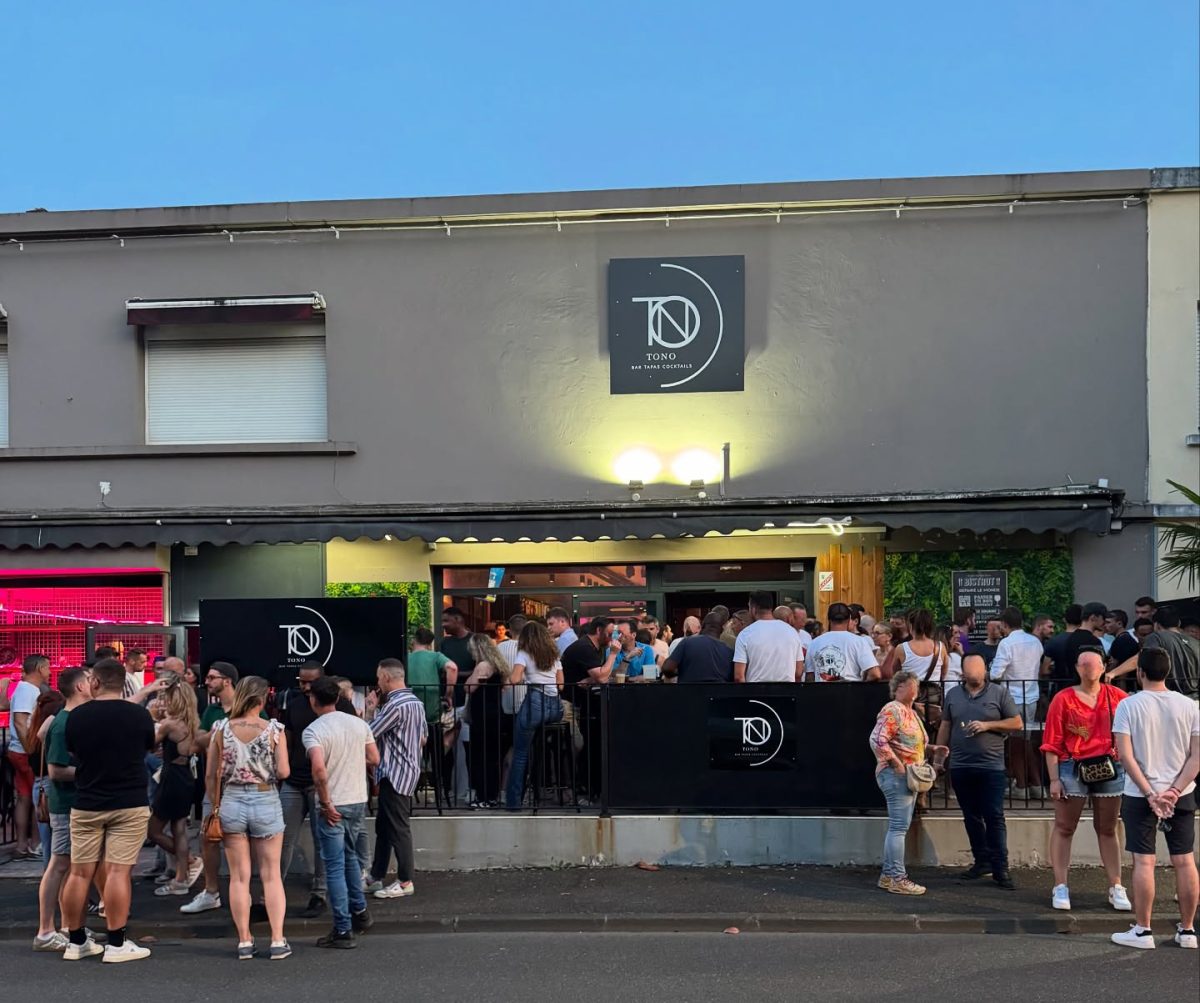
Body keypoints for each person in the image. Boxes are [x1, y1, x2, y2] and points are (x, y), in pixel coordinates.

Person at [61, 657, 156, 963]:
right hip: (129, 801)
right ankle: (116, 943)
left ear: (96, 682)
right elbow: (148, 747)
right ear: (122, 682)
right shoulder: (139, 715)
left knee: (79, 873)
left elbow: (73, 752)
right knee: (118, 871)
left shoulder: (77, 716)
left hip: (87, 801)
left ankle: (76, 941)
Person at [1109, 648, 1199, 950]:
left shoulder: (1128, 705)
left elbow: (1125, 755)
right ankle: (1188, 930)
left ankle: (1143, 930)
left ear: (1140, 672)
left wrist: (1150, 792)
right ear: (1168, 671)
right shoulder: (1189, 706)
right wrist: (1174, 790)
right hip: (1181, 793)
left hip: (1139, 794)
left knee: (1144, 861)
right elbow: (1196, 757)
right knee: (1185, 860)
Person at [1040, 648, 1130, 912]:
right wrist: (1054, 778)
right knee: (1064, 826)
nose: (1089, 669)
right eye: (1084, 664)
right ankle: (1060, 884)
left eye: (1094, 664)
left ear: (1103, 667)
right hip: (1072, 765)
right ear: (1077, 668)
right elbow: (1051, 742)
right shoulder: (1063, 699)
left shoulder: (1118, 697)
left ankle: (1116, 884)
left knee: (1108, 828)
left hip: (1109, 765)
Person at [209, 676, 291, 960]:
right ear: (262, 699)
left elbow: (211, 774)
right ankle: (277, 939)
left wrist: (216, 804)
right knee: (271, 874)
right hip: (265, 798)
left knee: (239, 877)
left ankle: (244, 941)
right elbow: (284, 771)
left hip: (231, 800)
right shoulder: (274, 729)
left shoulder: (221, 728)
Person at [935, 652, 1023, 890]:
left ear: (985, 671)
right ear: (963, 673)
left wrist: (987, 725)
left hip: (991, 766)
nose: (974, 676)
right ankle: (981, 861)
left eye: (978, 671)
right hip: (961, 765)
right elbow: (945, 725)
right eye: (970, 672)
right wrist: (939, 758)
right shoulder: (953, 694)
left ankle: (1000, 867)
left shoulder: (999, 693)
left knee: (994, 816)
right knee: (971, 816)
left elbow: (1016, 722)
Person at [278, 661, 358, 920]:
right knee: (282, 837)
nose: (304, 687)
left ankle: (319, 892)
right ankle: (273, 890)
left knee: (322, 839)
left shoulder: (341, 706)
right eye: (301, 681)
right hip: (294, 780)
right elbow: (288, 737)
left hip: (320, 781)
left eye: (309, 682)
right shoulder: (294, 703)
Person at [304, 676, 380, 949]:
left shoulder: (314, 731)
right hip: (356, 799)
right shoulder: (359, 724)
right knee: (350, 857)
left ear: (313, 700)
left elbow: (319, 770)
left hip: (333, 803)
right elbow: (374, 758)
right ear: (337, 698)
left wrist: (326, 803)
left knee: (334, 866)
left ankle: (343, 928)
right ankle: (360, 911)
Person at [35, 668, 91, 952]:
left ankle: (70, 925)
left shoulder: (71, 719)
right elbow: (56, 770)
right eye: (89, 679)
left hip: (74, 803)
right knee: (59, 864)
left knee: (69, 866)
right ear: (80, 686)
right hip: (65, 805)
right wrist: (92, 773)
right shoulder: (63, 723)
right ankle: (46, 931)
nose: (94, 683)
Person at [181, 660, 239, 916]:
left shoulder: (247, 707)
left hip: (240, 785)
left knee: (240, 841)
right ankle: (211, 891)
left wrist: (216, 735)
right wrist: (219, 733)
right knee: (208, 837)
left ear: (227, 680)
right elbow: (196, 743)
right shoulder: (211, 711)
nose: (207, 681)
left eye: (212, 677)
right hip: (213, 784)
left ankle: (240, 891)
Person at [870, 670, 936, 895]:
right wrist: (896, 763)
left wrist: (932, 749)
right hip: (897, 775)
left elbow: (911, 744)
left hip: (907, 775)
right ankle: (897, 878)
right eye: (912, 684)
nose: (916, 689)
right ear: (899, 687)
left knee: (899, 826)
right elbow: (877, 740)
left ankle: (889, 876)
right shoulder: (893, 709)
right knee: (899, 827)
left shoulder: (910, 712)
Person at [366, 658, 427, 899]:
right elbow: (423, 738)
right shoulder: (416, 703)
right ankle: (376, 875)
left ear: (387, 677)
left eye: (379, 677)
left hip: (394, 772)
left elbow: (369, 733)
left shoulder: (395, 705)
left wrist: (370, 710)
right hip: (407, 769)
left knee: (398, 827)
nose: (378, 682)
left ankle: (404, 880)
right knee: (385, 825)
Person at [147, 676, 204, 897]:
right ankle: (181, 878)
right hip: (186, 776)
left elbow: (149, 745)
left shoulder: (170, 725)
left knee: (154, 831)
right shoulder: (194, 724)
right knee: (179, 828)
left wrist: (153, 719)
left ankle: (189, 861)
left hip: (170, 778)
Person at [504, 621, 564, 811]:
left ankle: (514, 802)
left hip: (535, 702)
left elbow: (515, 679)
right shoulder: (554, 655)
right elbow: (561, 685)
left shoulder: (524, 653)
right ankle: (542, 793)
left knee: (520, 754)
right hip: (555, 707)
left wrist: (522, 678)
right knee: (537, 746)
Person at [989, 607, 1047, 799]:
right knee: (1025, 741)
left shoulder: (1006, 643)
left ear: (1005, 624)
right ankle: (1036, 785)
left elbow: (996, 674)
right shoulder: (1035, 641)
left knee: (1015, 743)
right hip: (1031, 696)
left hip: (1012, 697)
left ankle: (1022, 786)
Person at [560, 618, 618, 801]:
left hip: (580, 703)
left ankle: (586, 787)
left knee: (587, 744)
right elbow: (602, 676)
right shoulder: (585, 648)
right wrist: (613, 654)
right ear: (599, 630)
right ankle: (577, 788)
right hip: (571, 704)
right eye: (609, 634)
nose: (612, 638)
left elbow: (598, 675)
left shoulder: (592, 647)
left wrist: (592, 678)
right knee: (579, 746)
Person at [6, 653, 50, 859]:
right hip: (25, 752)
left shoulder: (24, 689)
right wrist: (31, 748)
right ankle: (35, 844)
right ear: (40, 669)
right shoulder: (28, 690)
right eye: (48, 668)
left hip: (20, 751)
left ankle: (23, 845)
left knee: (25, 798)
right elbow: (20, 721)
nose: (49, 672)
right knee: (36, 798)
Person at [462, 635, 512, 809]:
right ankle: (492, 796)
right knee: (493, 757)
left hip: (482, 714)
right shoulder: (498, 665)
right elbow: (506, 686)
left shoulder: (483, 665)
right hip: (495, 712)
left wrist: (472, 675)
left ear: (478, 648)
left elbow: (469, 687)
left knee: (480, 756)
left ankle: (483, 797)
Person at [27, 689, 66, 863]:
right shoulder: (53, 732)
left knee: (47, 841)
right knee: (59, 841)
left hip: (40, 786)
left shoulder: (32, 732)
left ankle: (48, 874)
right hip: (53, 786)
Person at [733, 592, 804, 683]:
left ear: (753, 609)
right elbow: (798, 672)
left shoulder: (745, 634)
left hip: (756, 690)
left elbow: (739, 676)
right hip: (786, 689)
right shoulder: (792, 632)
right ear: (771, 608)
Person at [804, 603, 880, 682]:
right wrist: (861, 687)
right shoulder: (859, 641)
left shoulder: (814, 643)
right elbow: (875, 674)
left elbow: (809, 677)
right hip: (850, 688)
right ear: (849, 619)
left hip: (822, 689)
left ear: (829, 619)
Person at [405, 627, 457, 727]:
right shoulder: (436, 656)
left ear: (414, 640)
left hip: (410, 710)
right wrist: (448, 695)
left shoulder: (405, 658)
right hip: (431, 710)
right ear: (429, 644)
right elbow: (452, 668)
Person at [664, 612, 735, 683]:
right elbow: (734, 678)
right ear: (722, 630)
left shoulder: (687, 642)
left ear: (702, 626)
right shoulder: (729, 652)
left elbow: (667, 668)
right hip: (718, 689)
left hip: (688, 688)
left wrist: (682, 671)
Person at [1044, 604, 1083, 686]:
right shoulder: (1089, 640)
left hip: (1061, 685)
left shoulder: (1054, 641)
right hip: (1082, 685)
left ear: (1064, 620)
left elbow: (1044, 670)